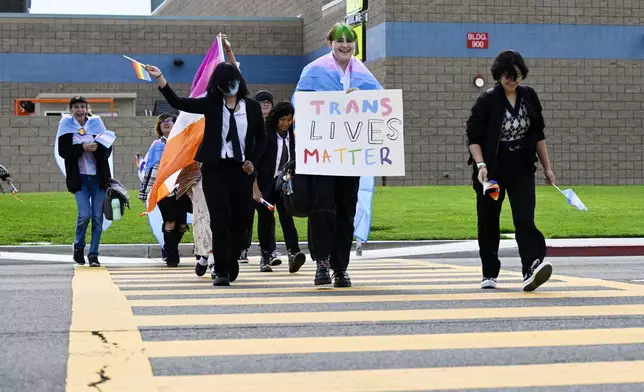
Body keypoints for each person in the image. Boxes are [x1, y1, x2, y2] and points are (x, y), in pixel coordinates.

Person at [146, 61, 267, 286]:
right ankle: (221, 269)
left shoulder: (251, 107)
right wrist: (160, 78)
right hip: (215, 169)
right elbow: (178, 102)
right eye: (223, 84)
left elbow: (261, 138)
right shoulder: (212, 104)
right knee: (219, 219)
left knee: (241, 219)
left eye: (232, 82)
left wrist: (254, 162)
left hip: (241, 169)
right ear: (218, 86)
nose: (229, 87)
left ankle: (232, 257)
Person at [294, 23, 382, 287]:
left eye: (350, 41)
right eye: (340, 40)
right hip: (322, 153)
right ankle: (321, 262)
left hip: (350, 155)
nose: (345, 45)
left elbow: (378, 104)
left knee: (345, 210)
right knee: (322, 208)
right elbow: (300, 104)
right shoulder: (314, 70)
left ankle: (340, 267)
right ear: (329, 42)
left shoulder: (363, 74)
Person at [466, 49, 555, 292]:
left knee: (524, 217)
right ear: (498, 75)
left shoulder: (529, 97)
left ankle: (532, 267)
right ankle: (489, 272)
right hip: (493, 171)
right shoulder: (487, 100)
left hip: (521, 168)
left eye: (516, 76)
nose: (512, 80)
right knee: (489, 218)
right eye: (507, 76)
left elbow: (538, 134)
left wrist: (547, 168)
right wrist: (481, 165)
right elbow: (473, 136)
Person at [57, 96, 113, 267]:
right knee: (84, 215)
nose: (80, 110)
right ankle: (79, 245)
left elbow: (107, 149)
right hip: (79, 178)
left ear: (87, 108)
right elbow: (63, 152)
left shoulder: (96, 123)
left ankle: (94, 254)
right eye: (76, 107)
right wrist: (81, 147)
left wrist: (98, 148)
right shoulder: (66, 125)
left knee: (97, 217)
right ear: (71, 109)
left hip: (98, 178)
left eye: (82, 106)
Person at [253, 101, 306, 273]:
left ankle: (294, 252)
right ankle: (266, 255)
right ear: (276, 119)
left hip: (284, 184)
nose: (285, 123)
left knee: (287, 217)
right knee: (266, 219)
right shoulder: (265, 136)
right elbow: (254, 163)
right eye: (282, 120)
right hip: (264, 184)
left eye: (289, 120)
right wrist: (255, 188)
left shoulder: (293, 137)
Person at [138, 113, 192, 268]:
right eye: (163, 122)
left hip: (181, 188)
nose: (166, 124)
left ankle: (170, 250)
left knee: (182, 224)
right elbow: (151, 168)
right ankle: (172, 257)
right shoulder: (157, 145)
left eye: (170, 121)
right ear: (159, 127)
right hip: (164, 189)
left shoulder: (184, 142)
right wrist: (145, 191)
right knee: (170, 221)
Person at [238, 89, 275, 264]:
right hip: (249, 176)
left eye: (268, 101)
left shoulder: (276, 128)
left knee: (267, 216)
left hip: (268, 178)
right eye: (262, 101)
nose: (265, 104)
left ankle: (269, 250)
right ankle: (242, 249)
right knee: (246, 216)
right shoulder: (249, 126)